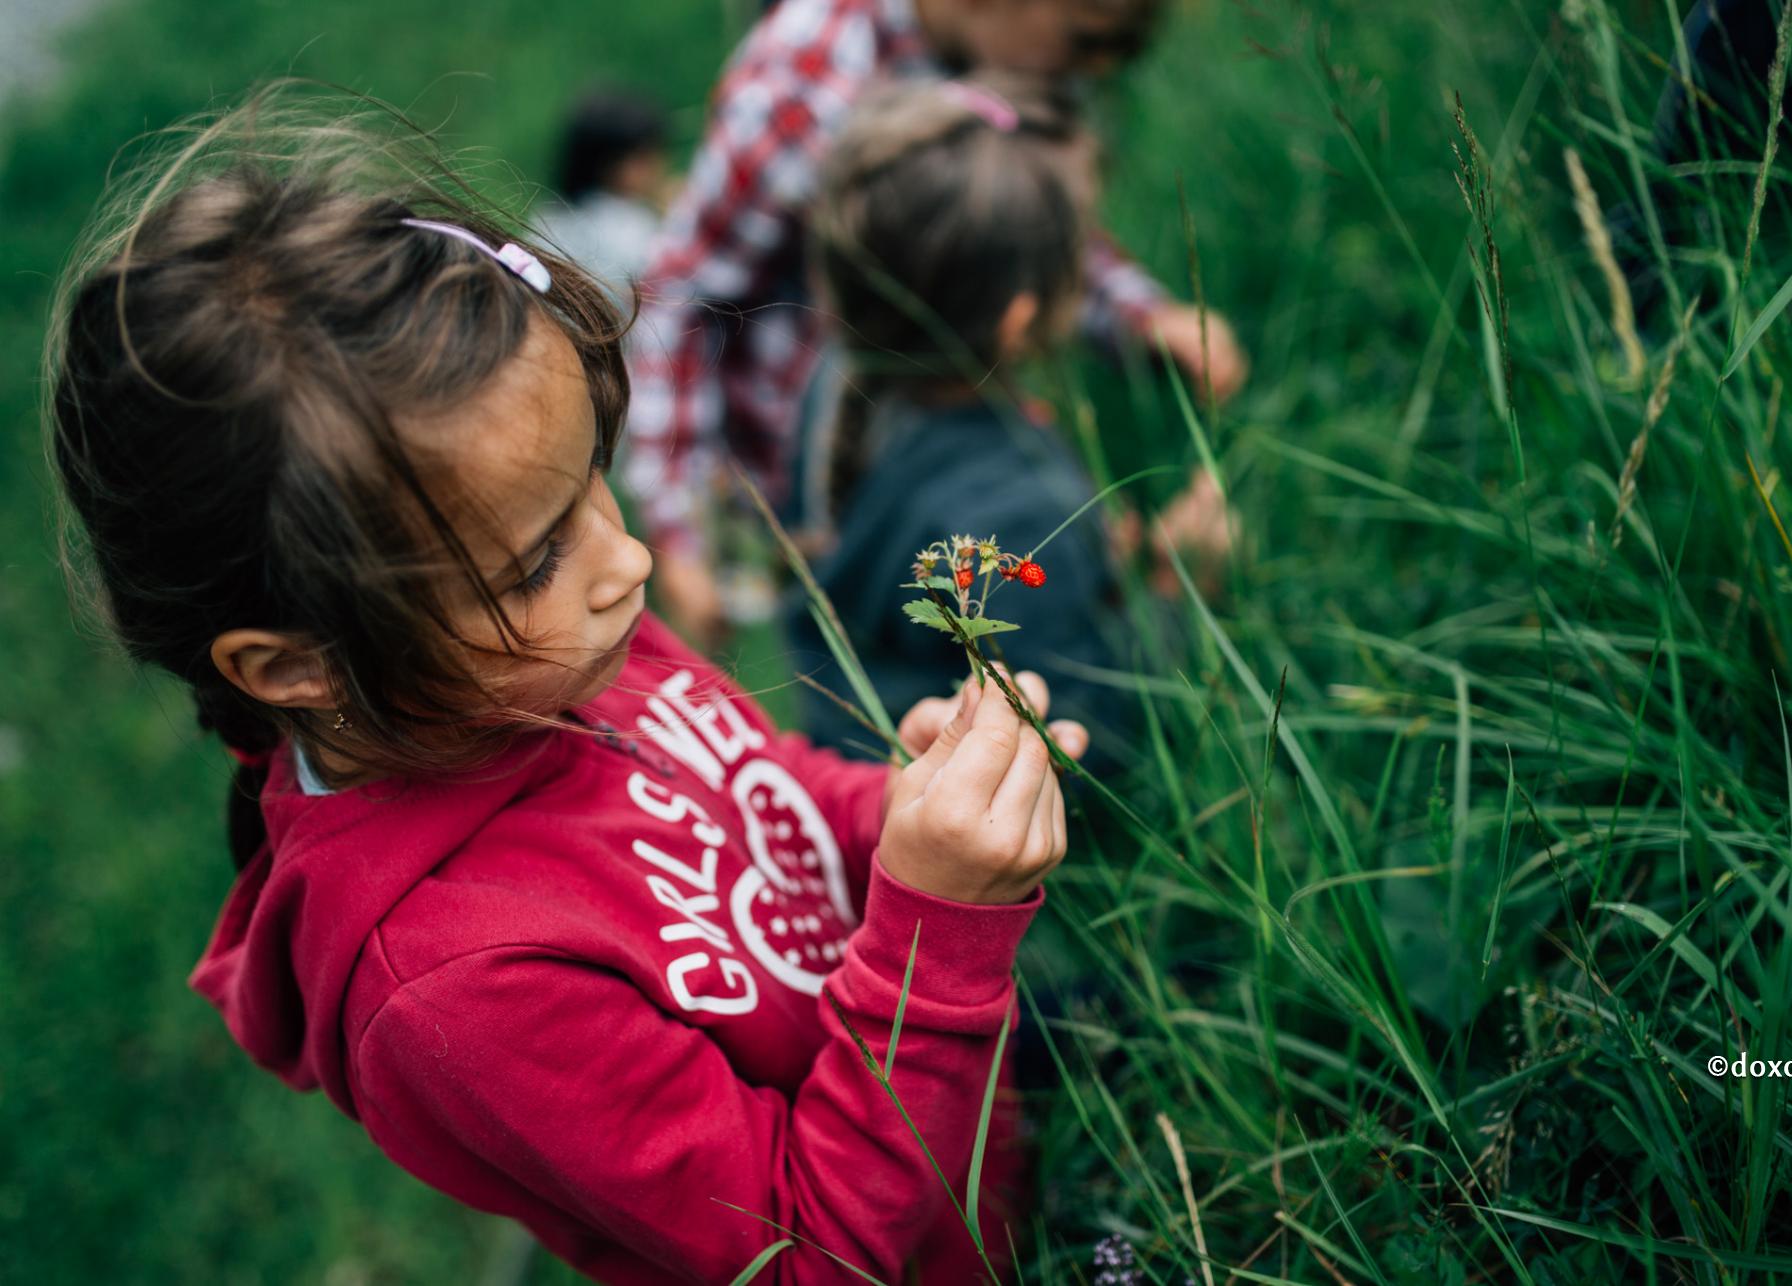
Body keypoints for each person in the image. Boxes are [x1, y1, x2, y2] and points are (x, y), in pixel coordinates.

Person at [46, 93, 1091, 1284]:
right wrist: (932, 924)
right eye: (537, 554)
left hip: (993, 1121)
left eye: (596, 482)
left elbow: (759, 791)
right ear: (295, 663)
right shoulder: (460, 989)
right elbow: (816, 1254)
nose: (627, 560)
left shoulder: (542, 651)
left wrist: (903, 812)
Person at [625, 0, 1249, 646]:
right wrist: (679, 529)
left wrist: (1138, 316)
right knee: (884, 622)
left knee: (917, 634)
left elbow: (1017, 215)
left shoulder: (992, 52)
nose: (1093, 73)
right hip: (811, 448)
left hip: (915, 414)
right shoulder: (804, 79)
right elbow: (684, 295)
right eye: (1085, 42)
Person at [790, 75, 1151, 766]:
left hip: (849, 746)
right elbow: (1091, 735)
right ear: (1019, 324)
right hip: (951, 813)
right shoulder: (1024, 517)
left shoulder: (834, 382)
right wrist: (1169, 593)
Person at [533, 87, 671, 308]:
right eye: (645, 157)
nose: (659, 167)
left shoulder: (546, 220)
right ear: (612, 165)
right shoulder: (635, 227)